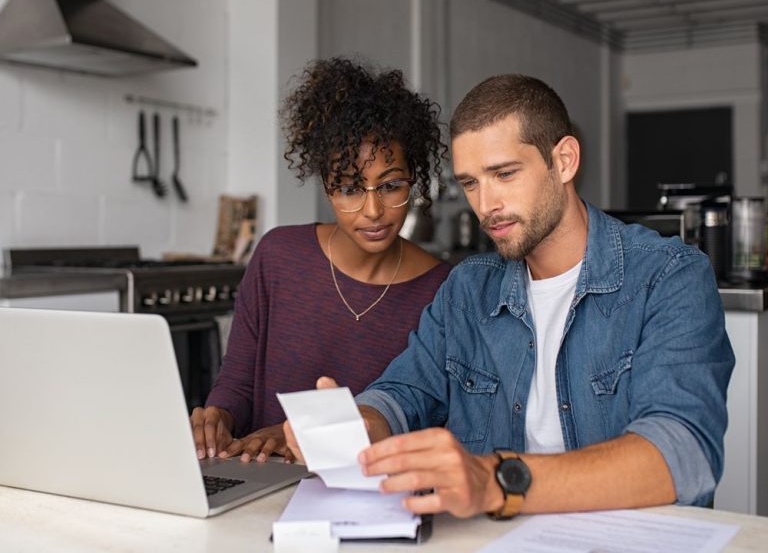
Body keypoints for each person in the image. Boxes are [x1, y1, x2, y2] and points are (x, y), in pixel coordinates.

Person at [286, 73, 735, 518]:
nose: (485, 205)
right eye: (470, 183)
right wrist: (359, 424)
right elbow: (404, 391)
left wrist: (499, 481)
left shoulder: (669, 276)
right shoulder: (467, 289)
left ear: (564, 161)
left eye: (504, 174)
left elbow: (683, 454)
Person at [191, 57, 451, 463]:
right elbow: (238, 382)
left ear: (413, 180)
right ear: (326, 188)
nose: (372, 211)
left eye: (391, 185)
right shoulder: (278, 257)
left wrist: (298, 435)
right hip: (258, 481)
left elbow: (425, 418)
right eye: (349, 189)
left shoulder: (443, 290)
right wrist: (218, 416)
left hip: (368, 497)